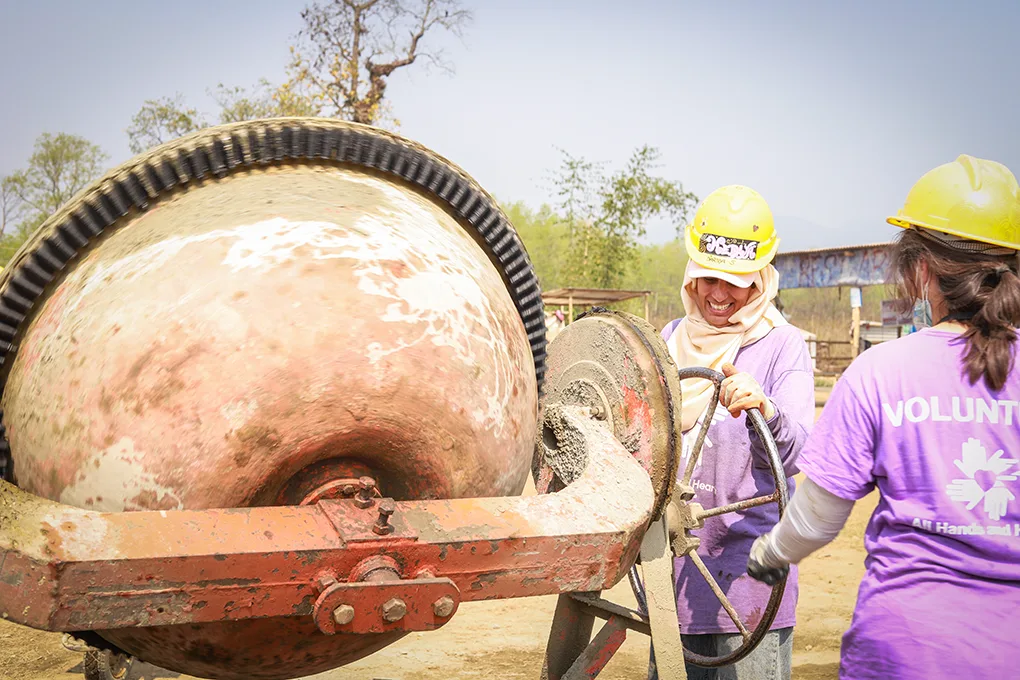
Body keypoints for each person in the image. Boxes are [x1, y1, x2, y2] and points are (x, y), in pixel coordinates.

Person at [747, 155, 1020, 679]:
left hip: (906, 650)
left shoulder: (879, 373)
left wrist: (771, 551)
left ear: (920, 270)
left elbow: (815, 520)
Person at [655, 185, 815, 679]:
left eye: (736, 282)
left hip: (750, 587)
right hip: (674, 576)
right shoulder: (668, 340)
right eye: (708, 278)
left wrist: (764, 407)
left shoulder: (782, 347)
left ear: (761, 279)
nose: (719, 294)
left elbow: (797, 453)